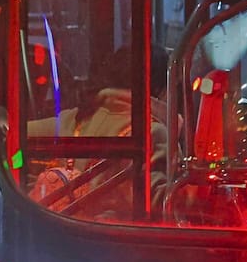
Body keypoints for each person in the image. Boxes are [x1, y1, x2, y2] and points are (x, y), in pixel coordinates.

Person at [24, 44, 170, 220]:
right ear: (160, 88)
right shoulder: (153, 133)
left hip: (54, 229)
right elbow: (160, 207)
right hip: (110, 235)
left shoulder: (75, 118)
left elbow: (11, 134)